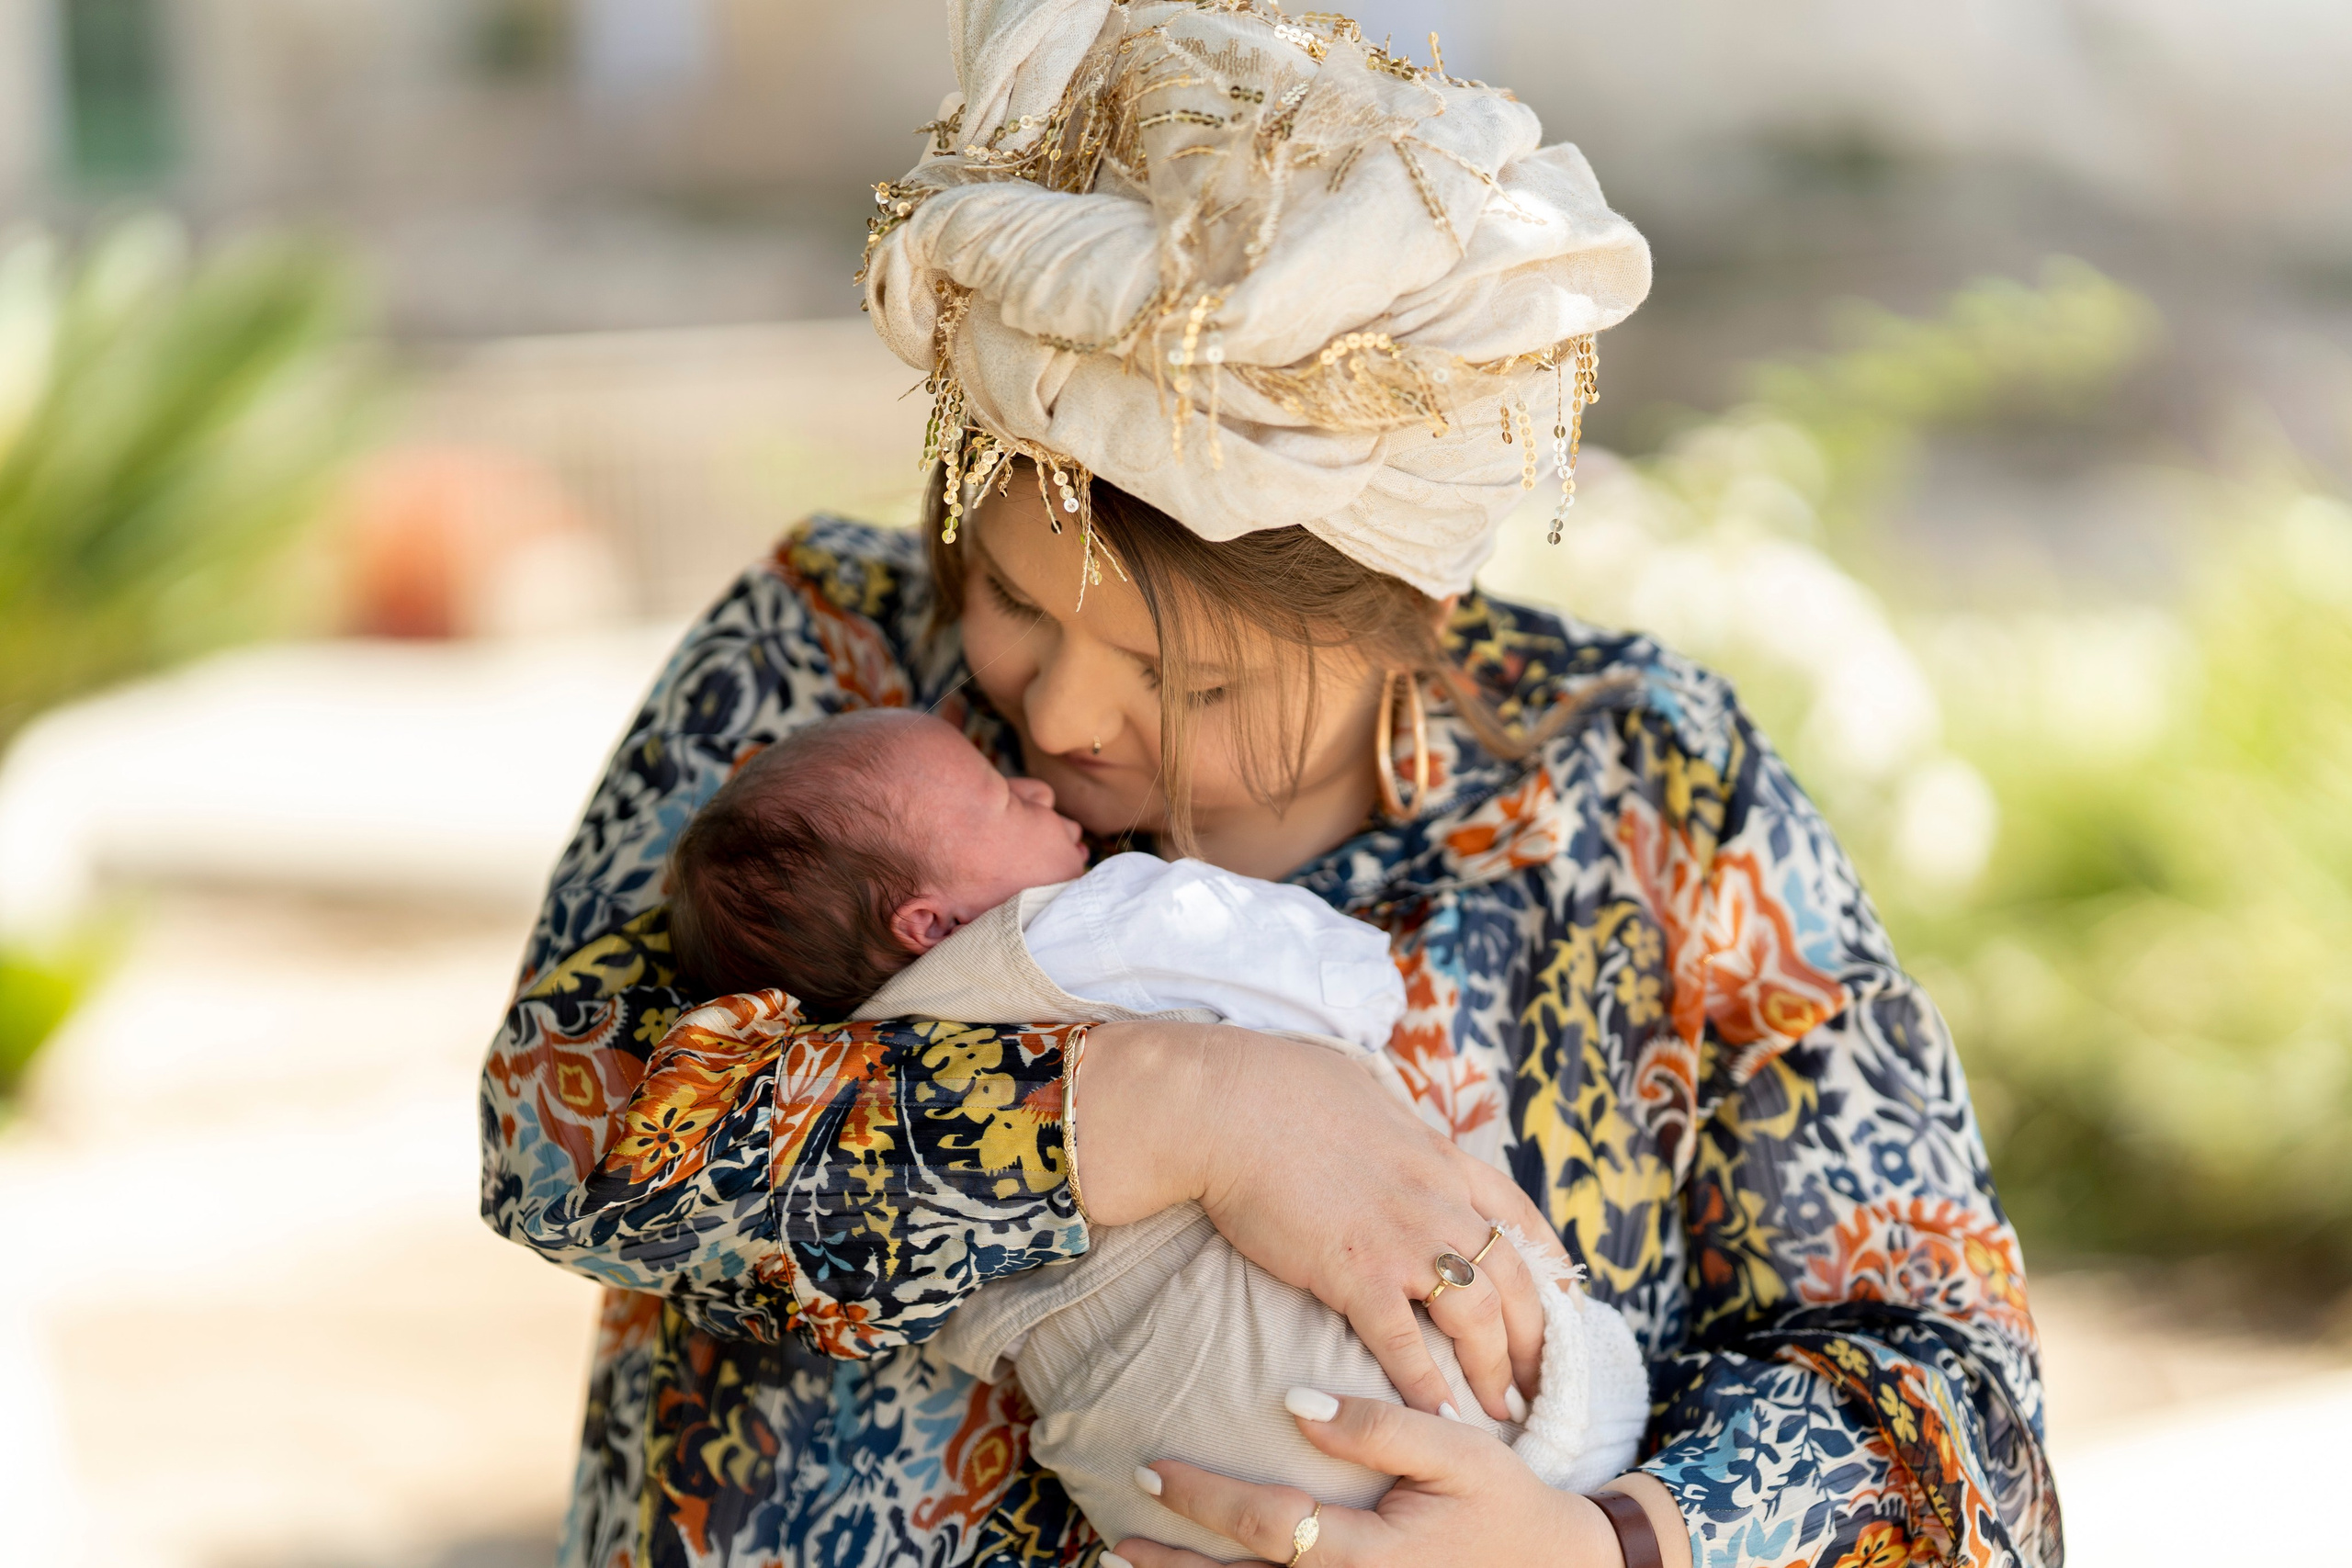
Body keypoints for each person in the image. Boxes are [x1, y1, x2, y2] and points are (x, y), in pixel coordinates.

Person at [479, 5, 2062, 1568]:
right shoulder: (831, 657)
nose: (1061, 714)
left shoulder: (1647, 786)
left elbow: (1953, 1404)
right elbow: (566, 1128)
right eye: (1019, 600)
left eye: (1191, 678)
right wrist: (1181, 1103)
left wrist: (1611, 1548)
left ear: (1415, 618)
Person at [657, 705, 1654, 1559]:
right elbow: (1299, 966)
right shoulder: (1074, 927)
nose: (1041, 787)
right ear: (927, 921)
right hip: (1316, 1388)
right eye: (1005, 799)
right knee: (1562, 1376)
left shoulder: (856, 1057)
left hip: (1155, 1468)